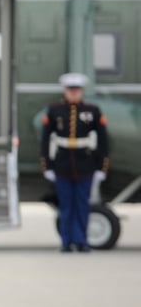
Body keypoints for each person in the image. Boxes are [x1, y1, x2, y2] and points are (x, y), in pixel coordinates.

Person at [40, 72, 109, 252]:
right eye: (70, 90)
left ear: (82, 91)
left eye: (76, 89)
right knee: (65, 207)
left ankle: (81, 241)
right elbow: (45, 140)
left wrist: (102, 166)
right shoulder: (55, 110)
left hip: (85, 164)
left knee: (82, 205)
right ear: (65, 91)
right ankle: (66, 242)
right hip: (62, 165)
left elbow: (103, 140)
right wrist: (46, 166)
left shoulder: (92, 111)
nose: (73, 93)